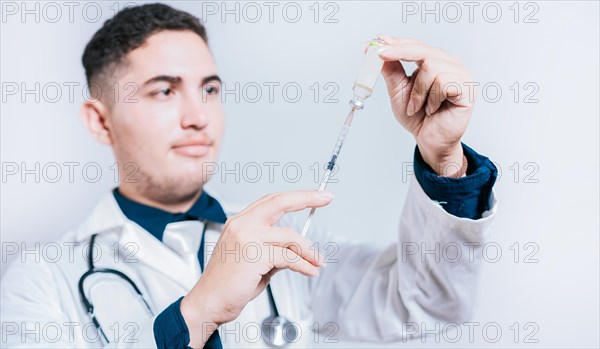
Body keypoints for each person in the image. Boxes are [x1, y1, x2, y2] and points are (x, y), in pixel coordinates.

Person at [0, 3, 498, 349]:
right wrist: (195, 314)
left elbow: (428, 304)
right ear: (100, 120)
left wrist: (443, 159)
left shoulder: (281, 241)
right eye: (163, 91)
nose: (198, 115)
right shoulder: (43, 281)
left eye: (210, 89)